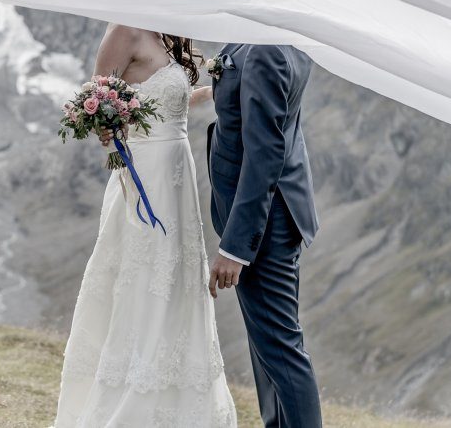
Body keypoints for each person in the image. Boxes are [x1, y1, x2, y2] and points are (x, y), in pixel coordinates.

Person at [54, 24, 236, 427]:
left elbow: (167, 101)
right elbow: (98, 104)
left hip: (178, 176)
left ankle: (177, 401)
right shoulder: (125, 31)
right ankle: (128, 398)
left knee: (175, 283)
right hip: (143, 179)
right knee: (141, 280)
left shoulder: (169, 33)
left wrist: (214, 92)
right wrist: (108, 128)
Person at [207, 43, 322, 428]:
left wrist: (237, 248)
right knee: (268, 349)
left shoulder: (265, 51)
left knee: (281, 349)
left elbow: (265, 152)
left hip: (265, 223)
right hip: (276, 213)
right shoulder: (284, 40)